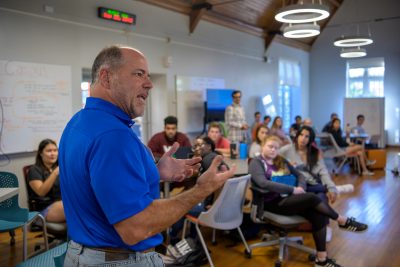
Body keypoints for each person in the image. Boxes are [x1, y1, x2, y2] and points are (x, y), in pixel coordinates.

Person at [59, 45, 235, 267]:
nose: (149, 84)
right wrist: (200, 190)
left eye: (148, 76)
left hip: (81, 255)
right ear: (106, 77)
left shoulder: (79, 122)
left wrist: (155, 172)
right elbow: (136, 227)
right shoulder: (113, 135)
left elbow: (97, 184)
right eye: (138, 74)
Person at [249, 135, 367, 267]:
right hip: (271, 203)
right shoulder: (256, 162)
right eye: (270, 146)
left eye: (276, 148)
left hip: (287, 199)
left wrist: (300, 187)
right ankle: (341, 220)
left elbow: (299, 174)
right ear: (263, 146)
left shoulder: (279, 160)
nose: (273, 150)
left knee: (318, 214)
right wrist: (292, 190)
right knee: (312, 197)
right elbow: (263, 183)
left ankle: (321, 260)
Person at [280, 126, 364, 241]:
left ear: (311, 139)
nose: (303, 139)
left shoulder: (315, 153)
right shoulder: (286, 150)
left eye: (307, 136)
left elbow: (323, 172)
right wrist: (288, 167)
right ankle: (336, 220)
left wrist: (330, 187)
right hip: (298, 186)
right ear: (297, 136)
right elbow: (273, 163)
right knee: (320, 194)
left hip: (313, 185)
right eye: (301, 135)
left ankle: (327, 223)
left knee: (320, 197)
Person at [28, 139, 65, 223]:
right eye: (49, 151)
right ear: (41, 153)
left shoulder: (60, 166)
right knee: (71, 208)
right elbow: (41, 192)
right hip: (44, 209)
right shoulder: (34, 170)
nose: (53, 154)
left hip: (61, 202)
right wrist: (55, 172)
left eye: (55, 150)